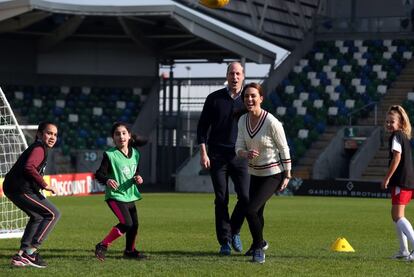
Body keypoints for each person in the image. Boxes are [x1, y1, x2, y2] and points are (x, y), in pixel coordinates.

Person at [197, 61, 250, 255]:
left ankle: (235, 231)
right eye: (231, 73)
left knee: (246, 197)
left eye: (238, 74)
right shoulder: (214, 98)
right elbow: (202, 128)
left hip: (241, 156)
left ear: (243, 76)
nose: (234, 77)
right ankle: (225, 241)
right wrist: (203, 152)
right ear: (226, 76)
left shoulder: (249, 99)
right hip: (217, 155)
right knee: (221, 199)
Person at [235, 83, 291, 263]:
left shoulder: (271, 122)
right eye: (246, 96)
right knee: (257, 213)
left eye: (253, 96)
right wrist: (245, 153)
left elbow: (284, 148)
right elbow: (238, 147)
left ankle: (259, 247)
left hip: (273, 173)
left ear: (261, 98)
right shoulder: (242, 120)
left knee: (250, 210)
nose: (249, 99)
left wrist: (287, 174)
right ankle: (257, 243)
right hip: (254, 172)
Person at [4, 121, 60, 268]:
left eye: (55, 134)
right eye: (49, 133)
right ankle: (31, 253)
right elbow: (29, 167)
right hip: (20, 189)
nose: (52, 137)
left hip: (15, 187)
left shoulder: (41, 148)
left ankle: (20, 256)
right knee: (53, 214)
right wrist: (45, 185)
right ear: (40, 134)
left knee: (37, 216)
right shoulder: (39, 148)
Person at [94, 122, 148, 261]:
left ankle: (129, 251)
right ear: (113, 138)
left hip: (130, 195)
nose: (121, 136)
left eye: (124, 133)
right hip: (115, 196)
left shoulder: (135, 153)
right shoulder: (110, 155)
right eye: (117, 134)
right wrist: (107, 180)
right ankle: (102, 245)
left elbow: (135, 171)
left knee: (134, 225)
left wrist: (138, 177)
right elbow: (99, 174)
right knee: (126, 223)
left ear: (129, 136)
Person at [381, 105, 414, 260]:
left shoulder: (396, 136)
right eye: (387, 121)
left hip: (401, 180)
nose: (388, 124)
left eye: (391, 121)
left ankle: (409, 249)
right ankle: (403, 251)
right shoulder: (403, 136)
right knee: (396, 215)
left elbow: (397, 158)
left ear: (400, 123)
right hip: (406, 179)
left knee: (397, 216)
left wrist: (387, 178)